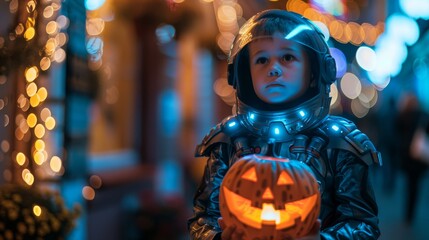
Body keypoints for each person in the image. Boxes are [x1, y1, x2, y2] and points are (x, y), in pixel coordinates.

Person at [188, 9, 381, 239]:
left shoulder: (338, 142)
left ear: (314, 70)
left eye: (287, 57)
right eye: (261, 59)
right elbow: (203, 218)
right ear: (243, 73)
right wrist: (219, 237)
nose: (274, 68)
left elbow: (362, 223)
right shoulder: (230, 139)